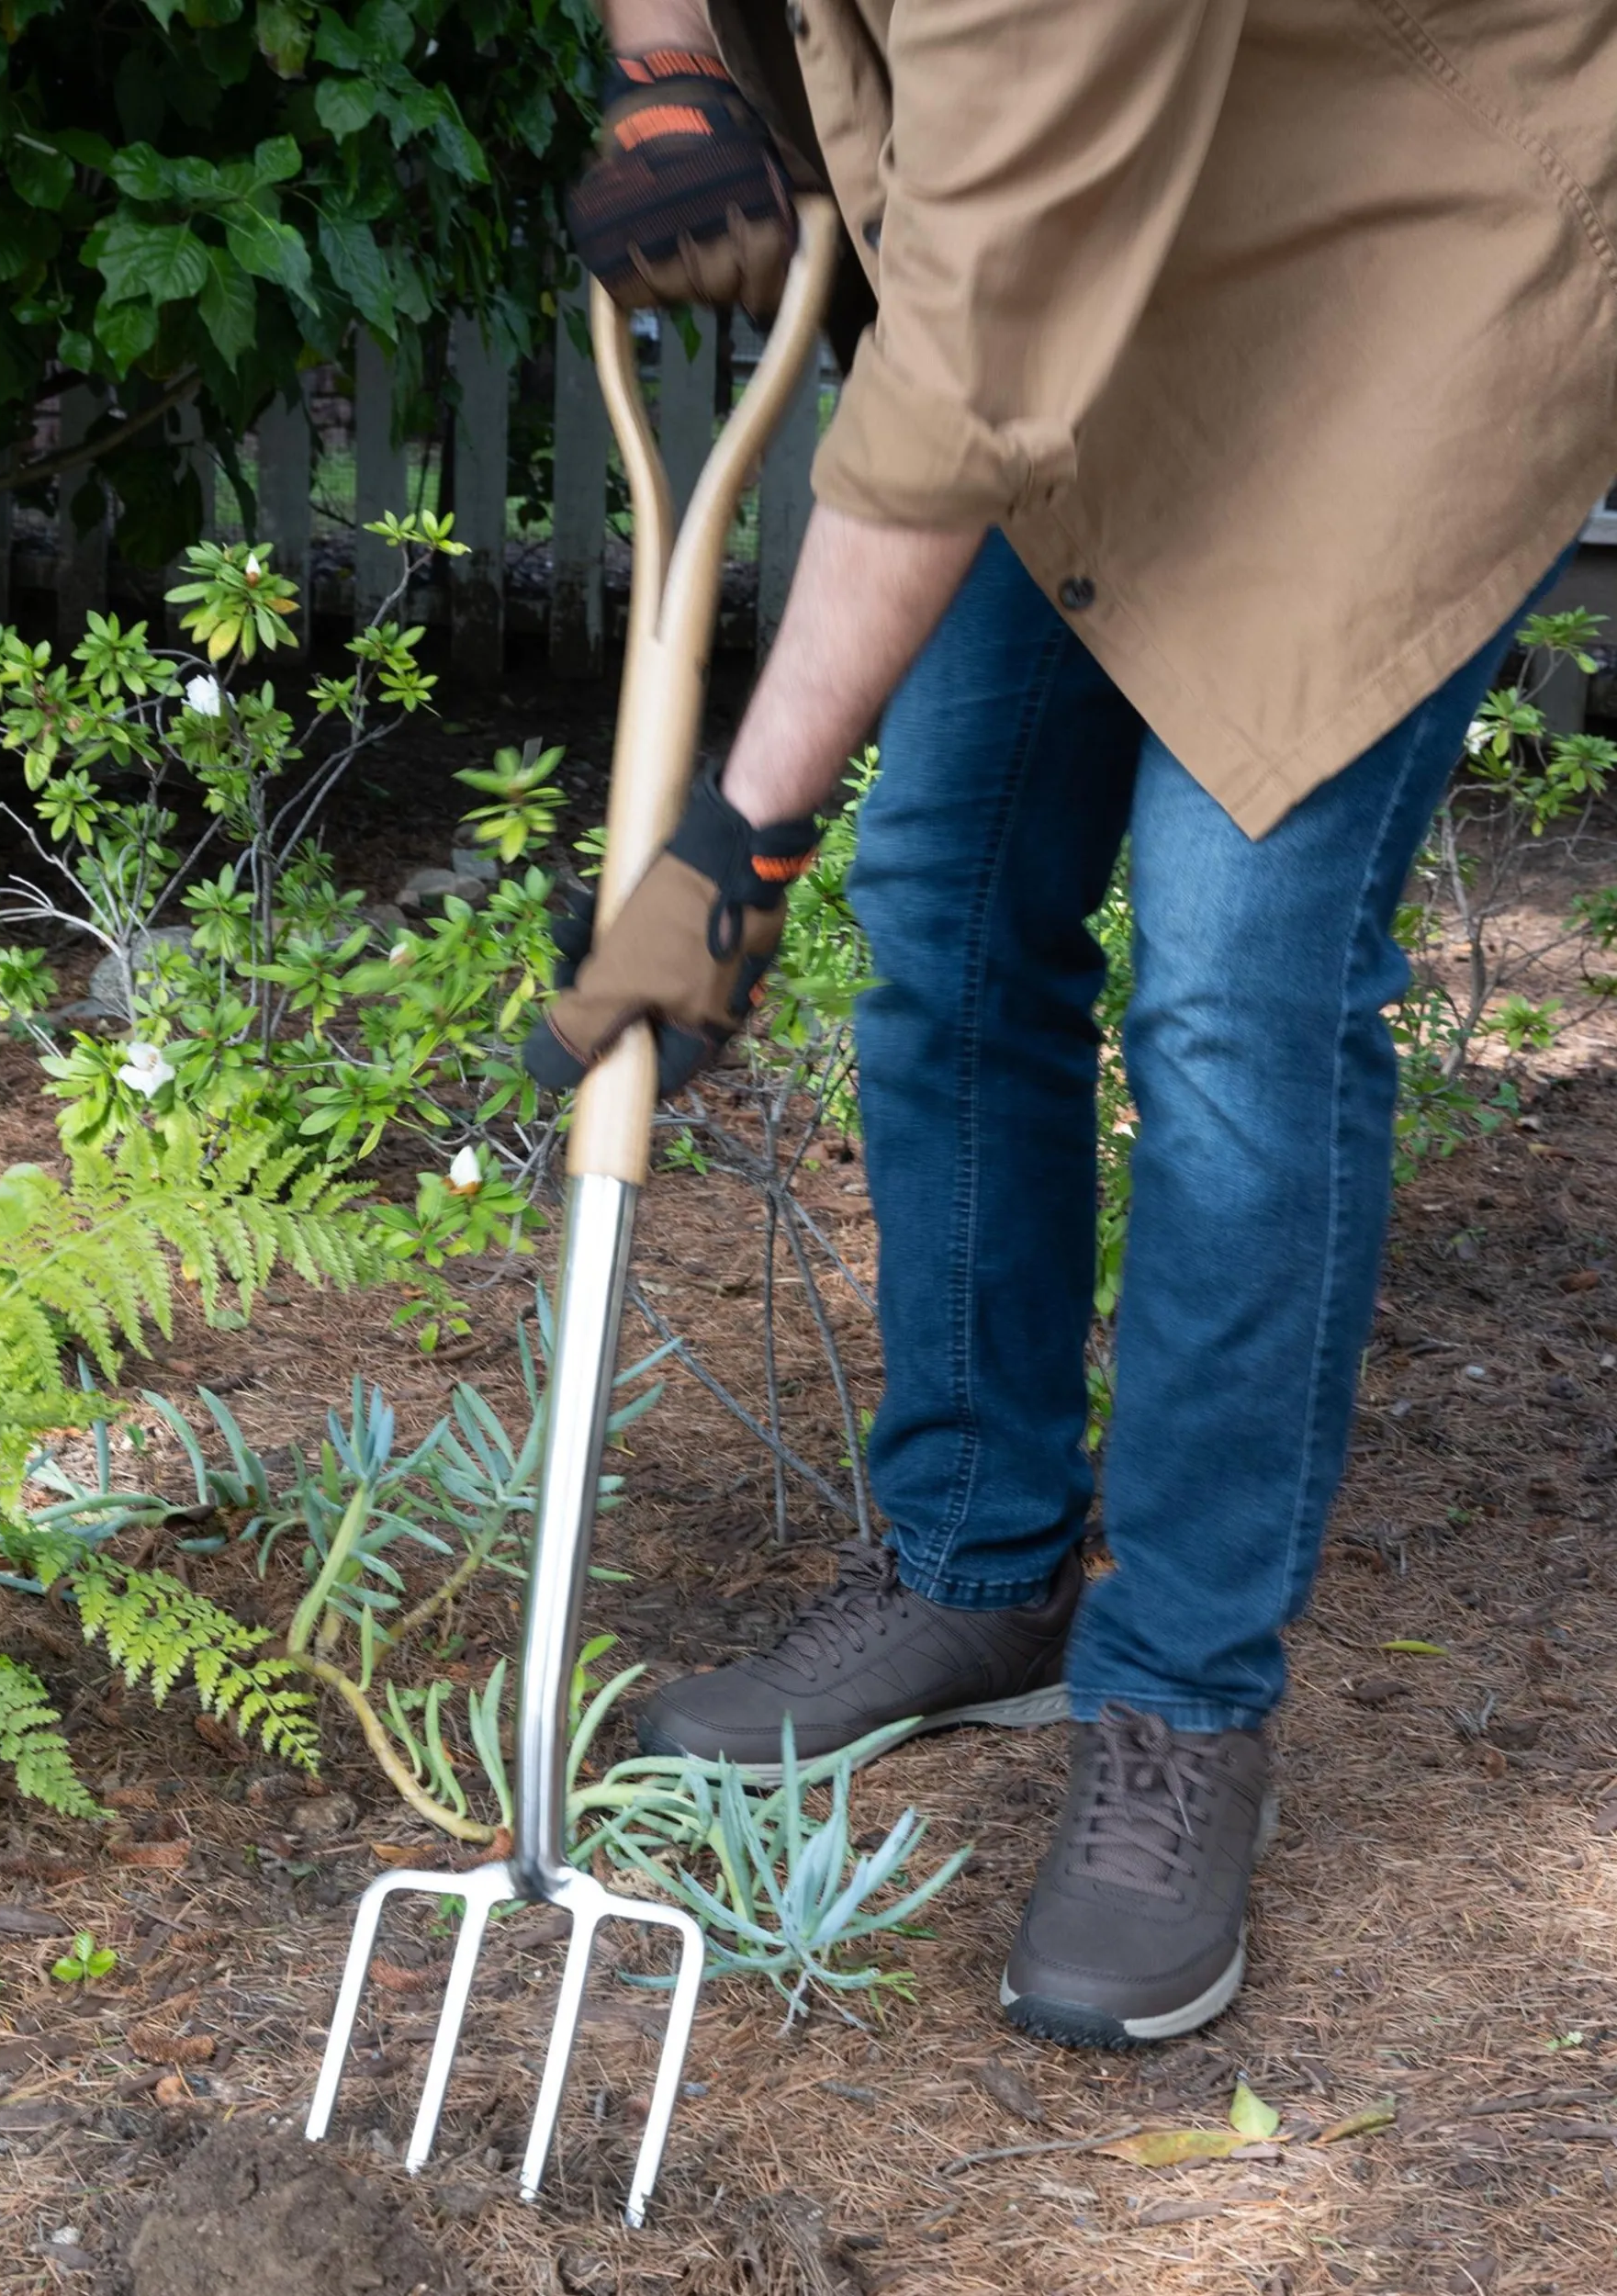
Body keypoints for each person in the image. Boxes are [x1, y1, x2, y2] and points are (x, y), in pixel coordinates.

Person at [529, 0, 1617, 2046]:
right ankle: (974, 1558)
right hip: (1116, 211)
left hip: (1420, 217)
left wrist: (736, 842)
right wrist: (671, 50)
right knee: (944, 886)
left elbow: (974, 365)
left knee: (1235, 970)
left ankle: (1182, 1695)